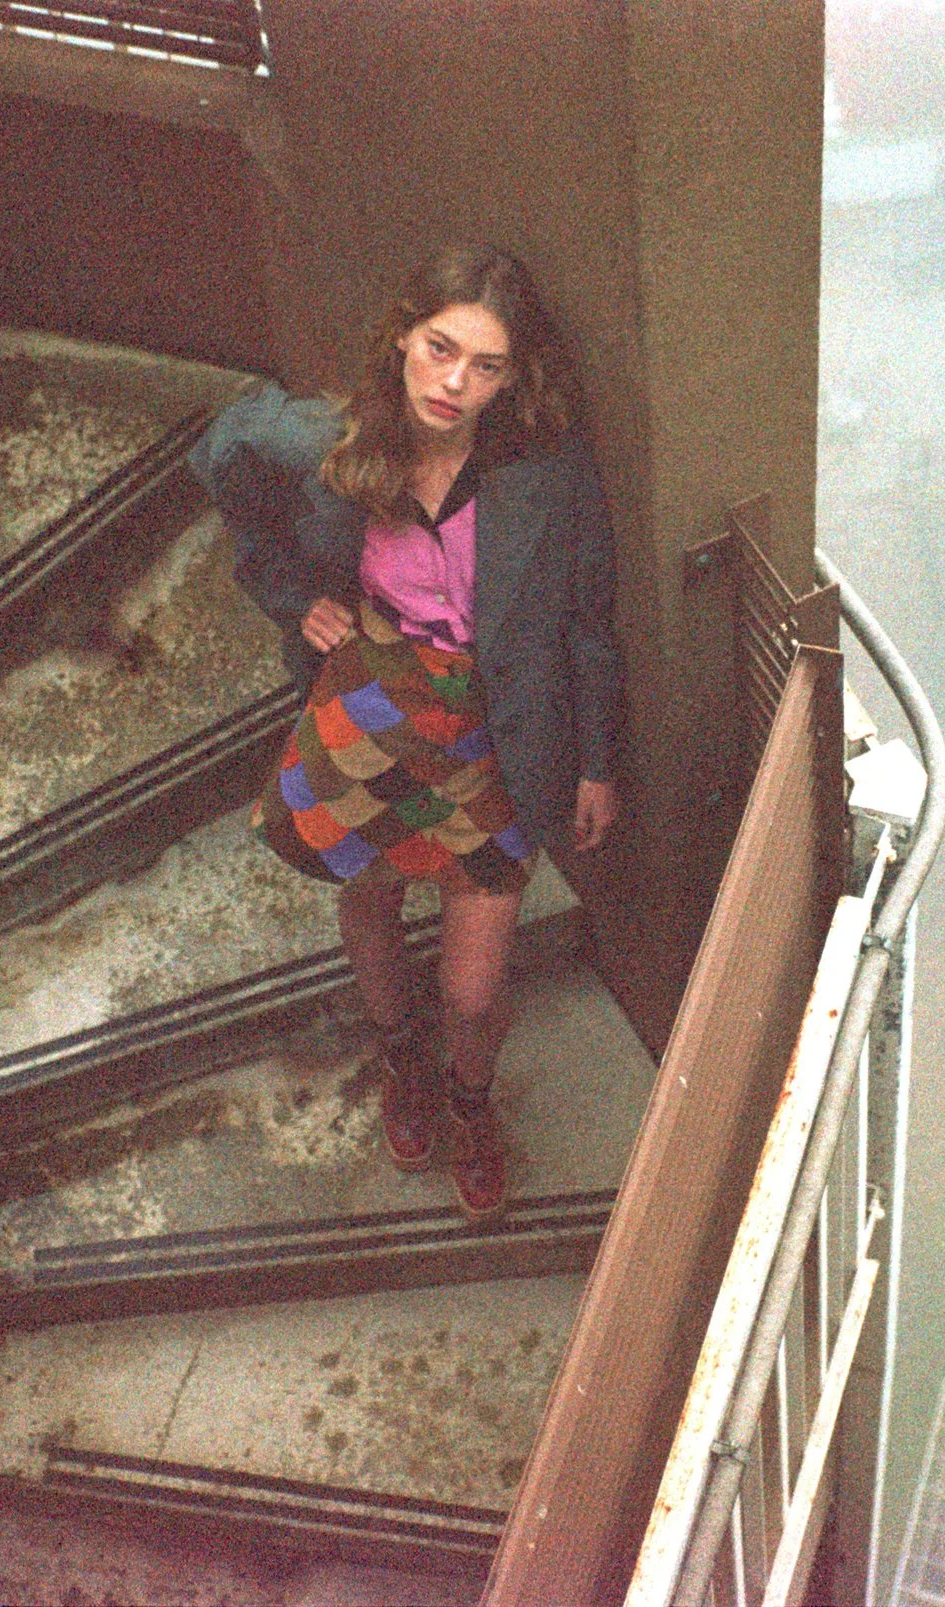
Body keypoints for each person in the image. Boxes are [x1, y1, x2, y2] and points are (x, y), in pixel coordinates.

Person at [188, 244, 622, 1221]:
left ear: (514, 378)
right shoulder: (330, 446)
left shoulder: (545, 475)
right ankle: (403, 1065)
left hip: (497, 732)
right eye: (439, 349)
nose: (454, 383)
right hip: (376, 701)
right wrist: (295, 597)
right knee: (372, 903)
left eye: (485, 366)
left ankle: (470, 1098)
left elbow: (588, 622)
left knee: (473, 990)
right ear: (402, 339)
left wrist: (596, 761)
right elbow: (221, 457)